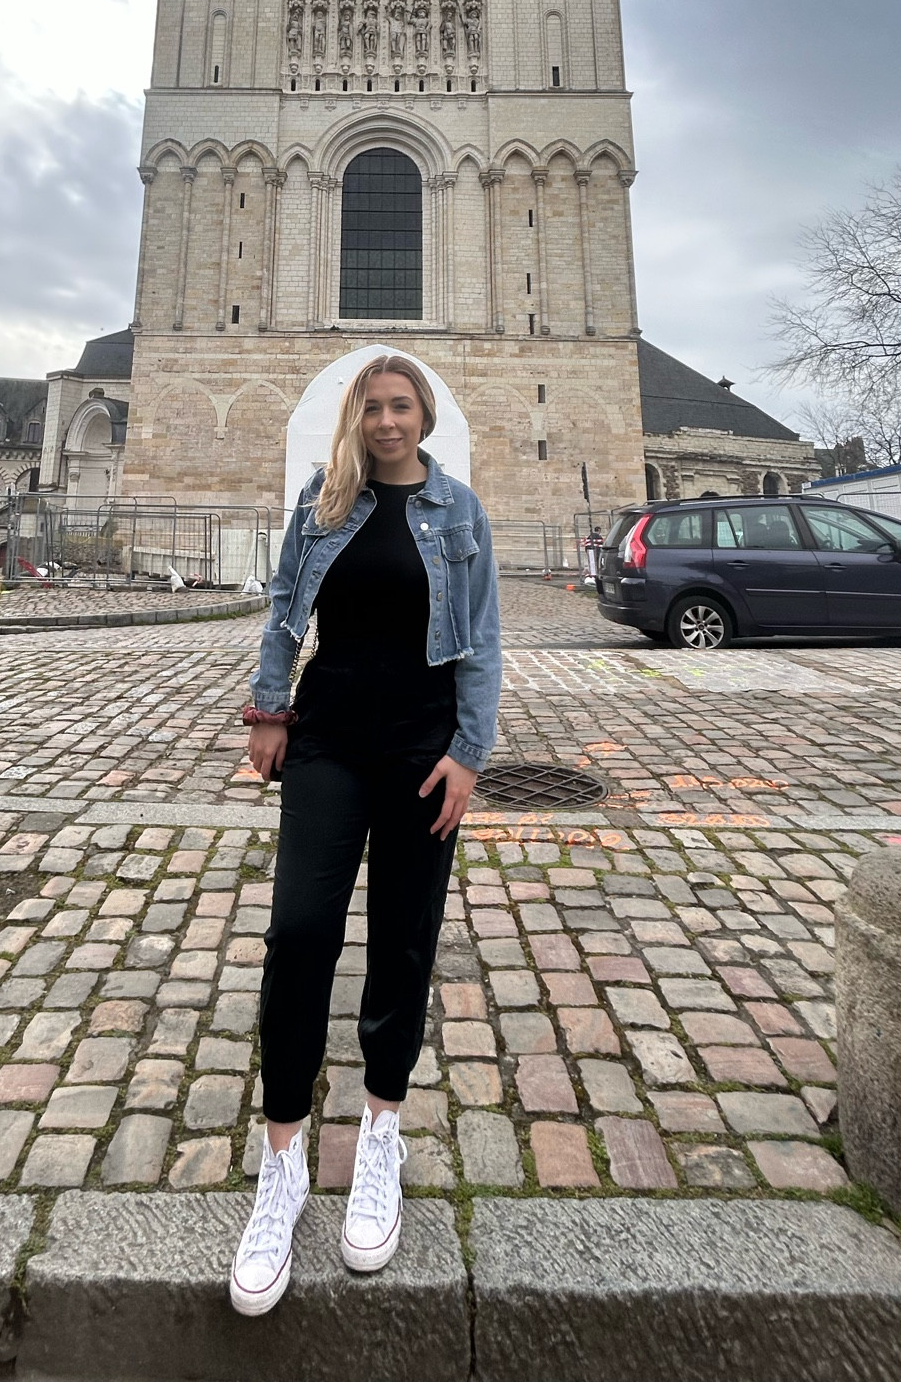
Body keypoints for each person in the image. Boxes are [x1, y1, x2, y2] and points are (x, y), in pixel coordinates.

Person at [228, 355, 501, 1316]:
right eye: (373, 407)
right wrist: (268, 708)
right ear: (356, 416)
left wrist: (470, 753)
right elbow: (281, 609)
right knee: (299, 932)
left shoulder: (460, 510)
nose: (388, 422)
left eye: (402, 406)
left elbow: (482, 638)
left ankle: (381, 1130)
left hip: (423, 746)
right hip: (331, 734)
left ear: (423, 414)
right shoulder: (326, 495)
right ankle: (284, 1157)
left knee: (404, 937)